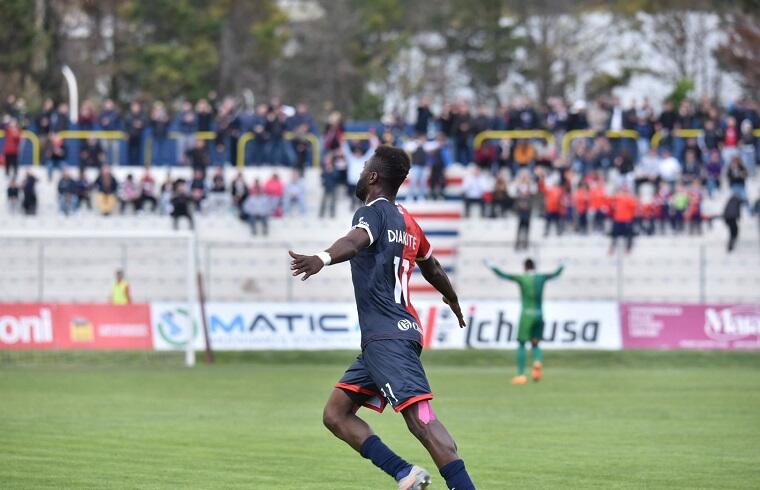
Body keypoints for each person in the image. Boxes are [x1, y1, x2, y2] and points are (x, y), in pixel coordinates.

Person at [288, 145, 476, 490]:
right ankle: (406, 473)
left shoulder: (372, 211)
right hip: (389, 336)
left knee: (422, 420)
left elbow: (356, 240)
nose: (360, 174)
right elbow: (431, 266)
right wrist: (451, 298)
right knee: (336, 414)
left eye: (364, 169)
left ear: (373, 177)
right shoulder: (408, 221)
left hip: (387, 337)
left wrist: (322, 258)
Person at [484, 258, 563, 384]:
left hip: (526, 315)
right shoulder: (541, 278)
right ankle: (537, 362)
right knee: (536, 343)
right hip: (540, 314)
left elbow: (504, 275)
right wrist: (562, 265)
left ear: (525, 267)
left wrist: (492, 266)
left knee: (521, 344)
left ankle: (521, 375)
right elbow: (556, 274)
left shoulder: (522, 278)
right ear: (534, 266)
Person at [609, 184, 638, 254]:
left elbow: (633, 208)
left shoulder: (630, 198)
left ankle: (628, 249)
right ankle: (612, 248)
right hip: (619, 219)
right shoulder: (618, 197)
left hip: (626, 219)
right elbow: (611, 204)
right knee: (614, 235)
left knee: (629, 235)